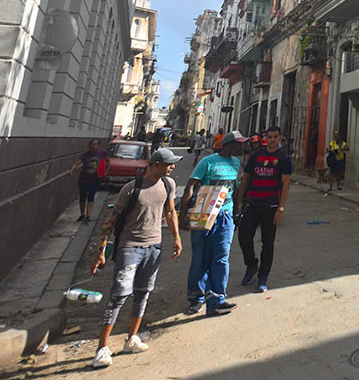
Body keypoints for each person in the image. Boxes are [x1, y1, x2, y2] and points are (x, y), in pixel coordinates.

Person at [88, 148, 182, 369]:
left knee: (143, 293)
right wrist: (102, 250)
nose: (173, 167)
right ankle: (102, 348)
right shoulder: (132, 189)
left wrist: (176, 237)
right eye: (169, 163)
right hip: (129, 247)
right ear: (156, 164)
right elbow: (111, 220)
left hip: (154, 247)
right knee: (119, 295)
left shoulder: (168, 184)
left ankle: (132, 338)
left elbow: (170, 212)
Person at [180, 131, 246, 316]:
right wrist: (183, 215)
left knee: (221, 257)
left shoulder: (236, 163)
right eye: (238, 144)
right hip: (204, 213)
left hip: (225, 216)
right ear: (228, 145)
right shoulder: (207, 162)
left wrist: (238, 209)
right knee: (200, 258)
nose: (241, 147)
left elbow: (234, 188)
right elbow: (190, 187)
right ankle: (196, 298)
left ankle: (217, 299)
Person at [235, 126, 292, 293]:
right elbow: (246, 177)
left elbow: (286, 184)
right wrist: (240, 200)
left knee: (268, 243)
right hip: (252, 203)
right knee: (244, 237)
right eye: (270, 137)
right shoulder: (257, 155)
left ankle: (263, 276)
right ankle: (252, 265)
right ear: (266, 138)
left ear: (280, 138)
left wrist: (281, 208)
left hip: (270, 205)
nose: (273, 140)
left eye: (275, 137)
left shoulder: (284, 158)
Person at [68, 139, 106, 222]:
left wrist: (106, 172)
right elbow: (77, 163)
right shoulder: (85, 155)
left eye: (96, 144)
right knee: (82, 197)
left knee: (91, 196)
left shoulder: (102, 153)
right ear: (90, 146)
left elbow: (108, 161)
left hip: (95, 179)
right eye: (92, 144)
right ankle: (82, 214)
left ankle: (88, 215)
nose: (94, 146)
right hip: (84, 179)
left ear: (98, 145)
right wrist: (72, 170)